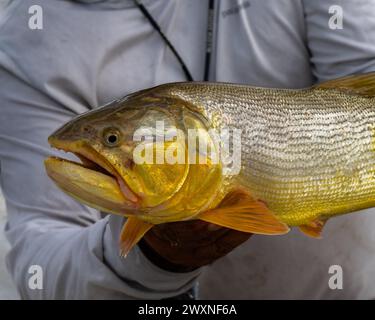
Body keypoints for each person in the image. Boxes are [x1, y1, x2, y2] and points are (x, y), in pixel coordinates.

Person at [1, 0, 375, 300]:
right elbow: (41, 269)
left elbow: (365, 72)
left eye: (113, 140)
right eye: (112, 141)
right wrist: (154, 258)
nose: (108, 148)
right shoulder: (26, 39)